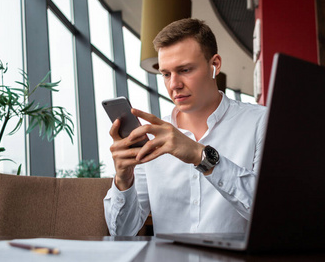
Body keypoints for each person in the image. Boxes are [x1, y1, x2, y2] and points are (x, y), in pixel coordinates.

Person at [104, 18, 267, 236]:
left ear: (214, 65)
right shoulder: (151, 137)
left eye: (185, 70)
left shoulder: (260, 121)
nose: (174, 85)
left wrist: (202, 157)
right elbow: (122, 232)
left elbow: (270, 212)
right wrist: (123, 180)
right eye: (166, 74)